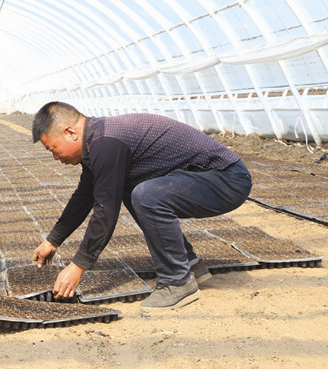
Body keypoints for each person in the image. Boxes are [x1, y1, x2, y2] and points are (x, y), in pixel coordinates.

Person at [30, 102, 252, 311]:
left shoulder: (105, 143)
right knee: (131, 189)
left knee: (146, 196)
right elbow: (85, 196)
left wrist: (77, 266)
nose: (55, 157)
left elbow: (105, 210)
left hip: (227, 180)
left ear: (70, 133)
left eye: (53, 148)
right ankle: (189, 264)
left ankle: (177, 282)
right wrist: (53, 240)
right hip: (207, 178)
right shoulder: (97, 141)